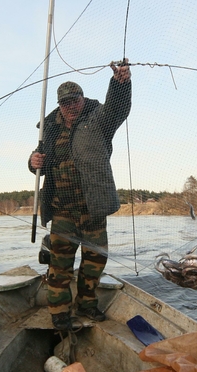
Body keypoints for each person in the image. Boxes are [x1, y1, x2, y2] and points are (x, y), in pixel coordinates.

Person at [28, 59, 132, 330]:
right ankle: (60, 312)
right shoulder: (50, 128)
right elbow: (39, 161)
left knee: (94, 263)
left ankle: (87, 305)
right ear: (59, 105)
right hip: (62, 211)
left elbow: (117, 109)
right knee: (59, 265)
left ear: (83, 99)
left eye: (75, 100)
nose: (71, 106)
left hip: (93, 209)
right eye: (66, 103)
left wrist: (120, 85)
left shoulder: (98, 119)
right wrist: (33, 161)